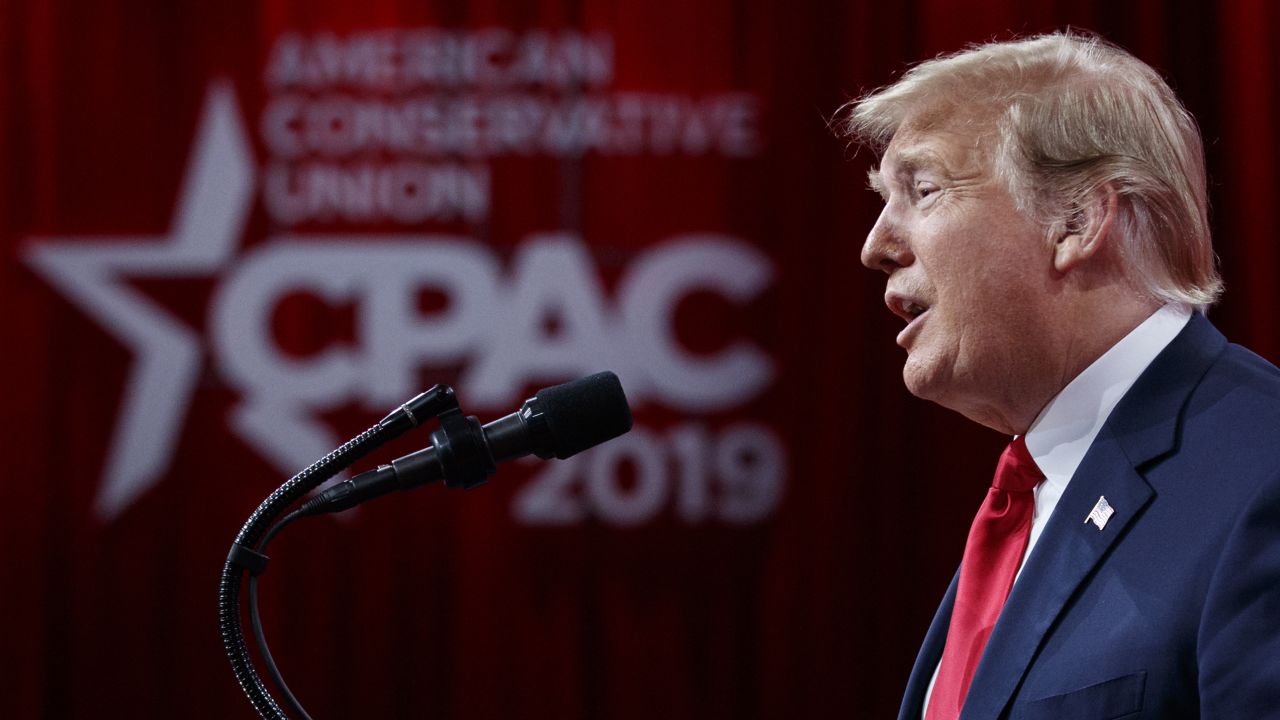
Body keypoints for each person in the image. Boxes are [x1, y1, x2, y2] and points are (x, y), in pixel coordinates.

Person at [841, 31, 1280, 719]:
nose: (875, 246)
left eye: (923, 189)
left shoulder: (1263, 474)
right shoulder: (1033, 492)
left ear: (1076, 221)